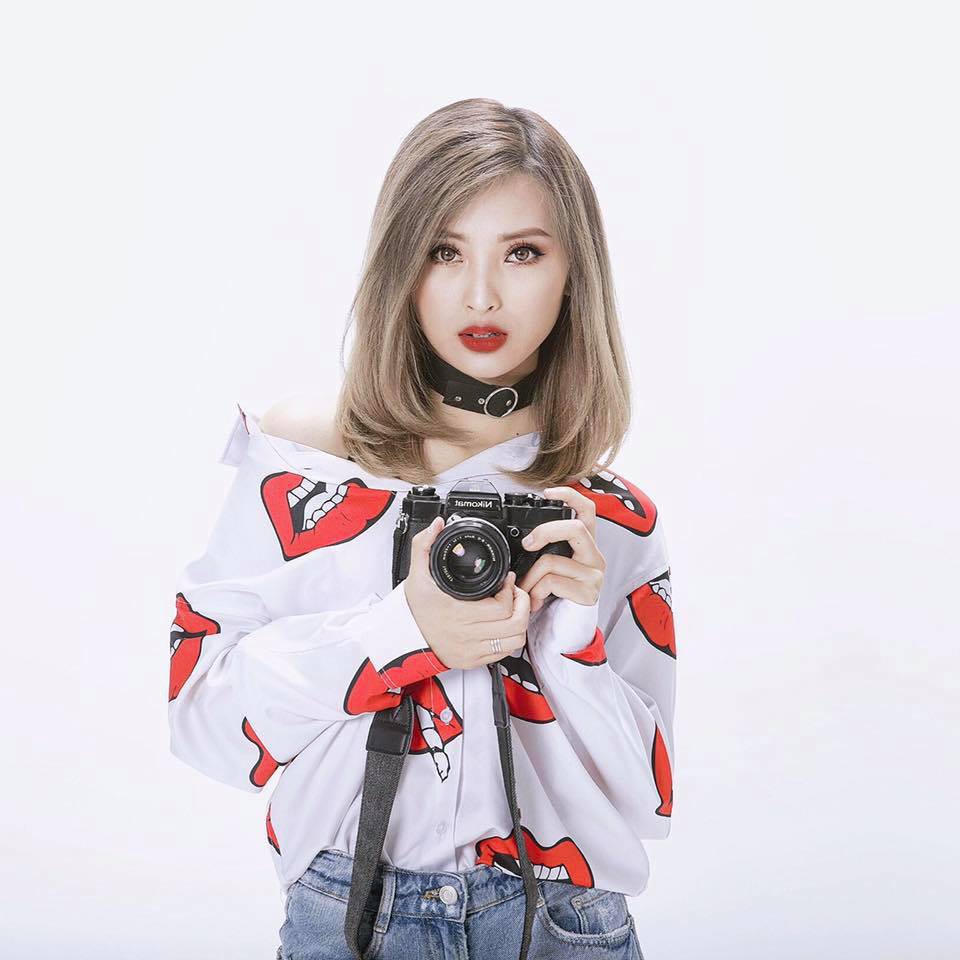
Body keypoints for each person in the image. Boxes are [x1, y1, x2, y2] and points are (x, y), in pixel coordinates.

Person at [168, 97, 676, 960]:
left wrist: (572, 641)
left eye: (523, 252)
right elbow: (204, 723)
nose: (481, 294)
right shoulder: (304, 466)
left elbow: (647, 800)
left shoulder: (606, 513)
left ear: (573, 274)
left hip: (564, 920)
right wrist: (402, 632)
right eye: (444, 251)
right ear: (400, 265)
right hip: (351, 909)